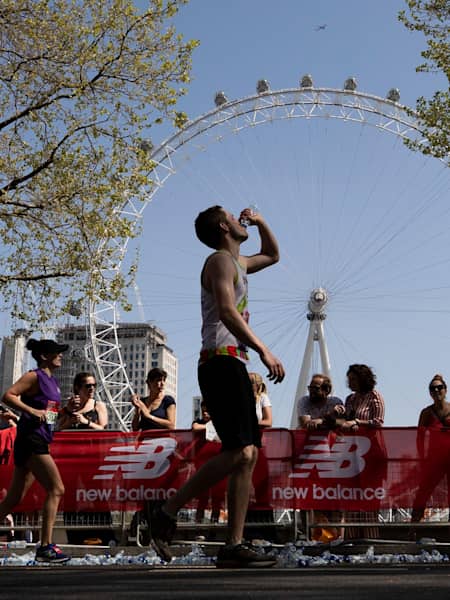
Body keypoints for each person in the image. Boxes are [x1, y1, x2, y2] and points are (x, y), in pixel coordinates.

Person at [148, 204, 284, 568]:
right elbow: (227, 310)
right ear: (225, 225)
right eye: (234, 216)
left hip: (234, 362)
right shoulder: (219, 262)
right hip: (220, 360)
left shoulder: (239, 264)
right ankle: (166, 509)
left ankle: (233, 545)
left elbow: (272, 255)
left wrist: (261, 220)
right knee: (240, 453)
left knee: (248, 455)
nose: (241, 221)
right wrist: (264, 350)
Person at [0, 338, 70, 563]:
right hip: (31, 440)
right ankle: (45, 546)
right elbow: (8, 395)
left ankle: (45, 546)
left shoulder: (53, 382)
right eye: (57, 352)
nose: (61, 355)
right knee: (57, 488)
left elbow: (48, 415)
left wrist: (65, 413)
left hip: (39, 439)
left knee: (13, 500)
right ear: (44, 356)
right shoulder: (34, 376)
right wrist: (30, 409)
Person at [57, 372, 112, 545]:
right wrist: (68, 414)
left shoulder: (99, 405)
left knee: (97, 494)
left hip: (93, 457)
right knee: (70, 495)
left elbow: (103, 428)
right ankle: (73, 535)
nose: (92, 389)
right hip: (71, 458)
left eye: (94, 385)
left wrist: (85, 421)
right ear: (77, 388)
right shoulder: (66, 407)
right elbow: (54, 426)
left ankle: (105, 534)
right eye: (88, 386)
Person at [333, 364, 386, 540]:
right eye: (349, 380)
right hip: (351, 454)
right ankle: (351, 540)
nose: (350, 383)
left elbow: (378, 421)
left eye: (353, 379)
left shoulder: (374, 397)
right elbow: (343, 422)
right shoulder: (349, 399)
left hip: (371, 454)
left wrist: (357, 422)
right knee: (351, 499)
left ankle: (371, 541)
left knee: (370, 500)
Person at [297, 374, 343, 541]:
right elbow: (306, 424)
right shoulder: (304, 401)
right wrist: (330, 416)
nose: (311, 391)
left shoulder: (336, 400)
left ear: (327, 390)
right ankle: (308, 534)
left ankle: (335, 535)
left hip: (331, 457)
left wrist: (322, 422)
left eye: (315, 388)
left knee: (332, 496)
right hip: (307, 456)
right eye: (310, 388)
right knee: (306, 496)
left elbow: (340, 424)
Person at [410, 374, 450, 528]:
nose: (437, 390)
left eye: (440, 387)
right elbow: (419, 438)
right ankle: (412, 528)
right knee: (423, 493)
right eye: (433, 388)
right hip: (434, 460)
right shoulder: (426, 413)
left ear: (445, 390)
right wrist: (421, 458)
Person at [191, 401, 223, 525]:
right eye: (203, 410)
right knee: (202, 496)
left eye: (208, 410)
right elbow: (195, 427)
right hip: (202, 465)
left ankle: (214, 524)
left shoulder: (220, 422)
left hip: (218, 464)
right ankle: (198, 524)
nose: (205, 413)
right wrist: (210, 426)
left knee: (217, 496)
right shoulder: (199, 422)